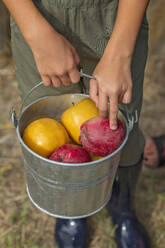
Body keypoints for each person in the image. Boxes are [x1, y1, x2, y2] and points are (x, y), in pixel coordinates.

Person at [3, 0, 150, 247]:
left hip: (117, 16)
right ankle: (71, 212)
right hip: (39, 12)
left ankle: (122, 210)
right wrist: (36, 32)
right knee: (47, 120)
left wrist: (121, 53)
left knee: (121, 127)